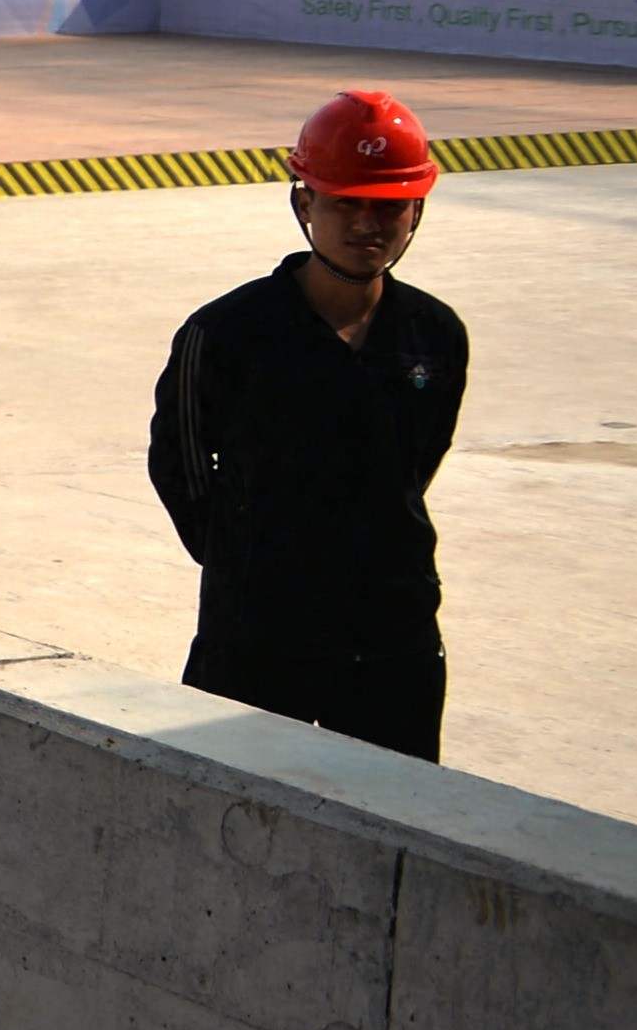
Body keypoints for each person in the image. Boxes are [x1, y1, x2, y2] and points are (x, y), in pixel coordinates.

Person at [147, 89, 469, 759]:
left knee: (393, 813)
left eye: (387, 206)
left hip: (391, 626)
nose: (366, 224)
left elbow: (417, 461)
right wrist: (242, 551)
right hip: (256, 632)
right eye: (343, 201)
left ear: (416, 210)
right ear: (302, 204)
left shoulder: (433, 334)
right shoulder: (226, 332)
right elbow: (176, 463)